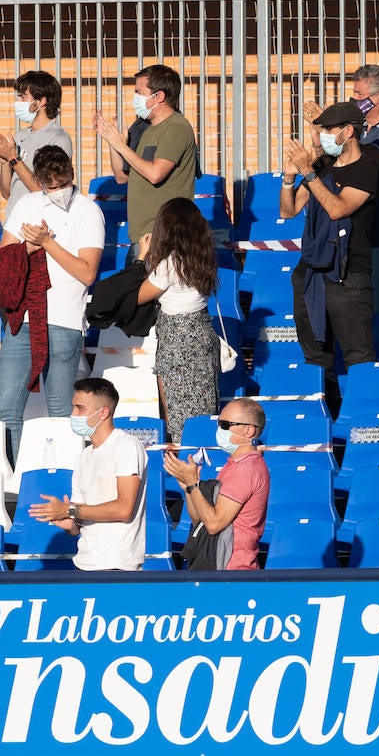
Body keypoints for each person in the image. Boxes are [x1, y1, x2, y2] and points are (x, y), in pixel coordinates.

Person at [0, 145, 105, 461]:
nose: (58, 191)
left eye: (62, 184)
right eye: (50, 186)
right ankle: (16, 479)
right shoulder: (28, 204)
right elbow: (2, 260)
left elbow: (87, 272)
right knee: (6, 407)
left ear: (72, 172)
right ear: (40, 182)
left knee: (60, 410)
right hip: (23, 318)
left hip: (64, 322)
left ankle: (66, 478)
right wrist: (27, 250)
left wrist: (46, 243)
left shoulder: (87, 211)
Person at [282, 100, 379, 400]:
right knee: (316, 358)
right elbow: (289, 210)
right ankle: (326, 424)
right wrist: (290, 178)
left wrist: (308, 172)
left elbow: (338, 209)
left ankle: (363, 426)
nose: (321, 134)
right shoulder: (323, 165)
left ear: (348, 131)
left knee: (358, 357)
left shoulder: (368, 168)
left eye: (328, 129)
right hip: (310, 275)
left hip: (349, 276)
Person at [306, 65, 379, 317]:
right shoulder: (356, 129)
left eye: (358, 94)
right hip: (358, 236)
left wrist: (331, 127)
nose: (353, 99)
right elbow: (334, 161)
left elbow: (370, 156)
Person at [27, 378, 146, 571]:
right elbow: (79, 520)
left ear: (104, 413)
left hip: (118, 567)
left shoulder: (127, 446)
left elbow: (124, 509)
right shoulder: (83, 457)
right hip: (84, 563)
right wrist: (70, 525)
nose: (73, 414)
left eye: (80, 408)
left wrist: (69, 510)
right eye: (73, 407)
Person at [94, 64, 198, 260]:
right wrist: (113, 142)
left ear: (158, 96)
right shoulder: (147, 129)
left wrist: (122, 146)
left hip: (165, 236)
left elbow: (155, 174)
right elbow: (121, 177)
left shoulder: (176, 128)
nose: (135, 99)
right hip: (142, 237)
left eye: (139, 92)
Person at [138, 198, 219, 445]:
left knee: (179, 417)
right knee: (204, 412)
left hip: (177, 342)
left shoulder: (169, 263)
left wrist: (142, 256)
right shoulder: (203, 257)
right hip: (202, 334)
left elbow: (141, 296)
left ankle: (186, 471)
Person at [163, 399, 270, 571]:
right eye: (219, 424)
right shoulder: (233, 465)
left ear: (249, 430)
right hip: (218, 565)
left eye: (226, 425)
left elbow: (214, 524)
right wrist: (189, 489)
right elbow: (200, 520)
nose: (220, 430)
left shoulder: (246, 469)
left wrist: (192, 484)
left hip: (231, 569)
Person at [0, 70, 73, 222]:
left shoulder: (58, 138)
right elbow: (7, 193)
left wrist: (13, 157)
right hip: (14, 222)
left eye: (23, 96)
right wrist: (5, 161)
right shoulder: (20, 136)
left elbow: (46, 189)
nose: (18, 101)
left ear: (40, 102)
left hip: (39, 225)